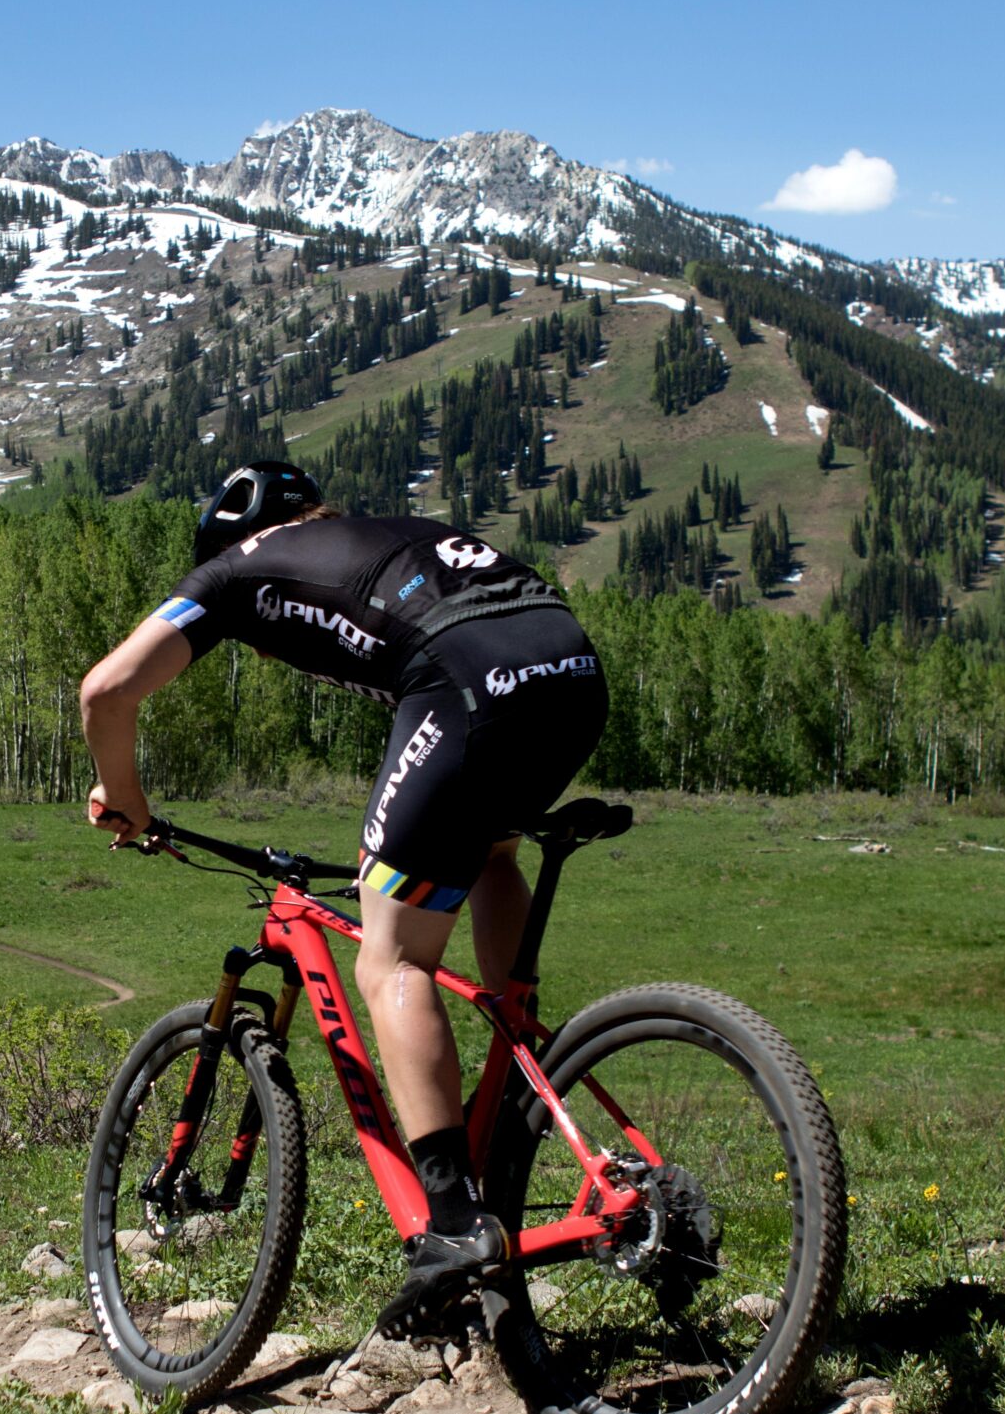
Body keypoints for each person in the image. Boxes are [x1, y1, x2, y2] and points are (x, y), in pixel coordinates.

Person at [80, 460, 609, 1326]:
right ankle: (519, 1046)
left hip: (469, 686)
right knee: (486, 852)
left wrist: (125, 796)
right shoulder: (377, 532)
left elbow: (106, 689)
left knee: (392, 954)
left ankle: (448, 1216)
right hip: (570, 674)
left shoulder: (233, 571)